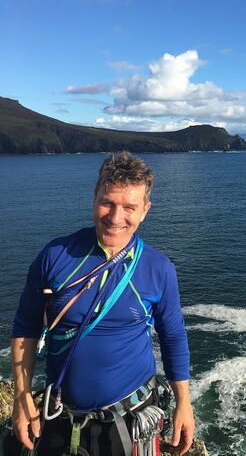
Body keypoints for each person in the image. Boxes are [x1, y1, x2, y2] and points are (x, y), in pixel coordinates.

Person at [10, 151, 195, 455]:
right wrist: (22, 398)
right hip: (59, 414)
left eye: (129, 208)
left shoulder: (158, 269)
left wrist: (185, 404)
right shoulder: (55, 255)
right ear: (94, 198)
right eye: (107, 202)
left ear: (145, 210)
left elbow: (173, 336)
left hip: (130, 418)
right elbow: (26, 328)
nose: (115, 217)